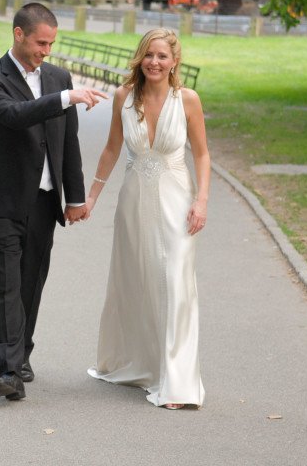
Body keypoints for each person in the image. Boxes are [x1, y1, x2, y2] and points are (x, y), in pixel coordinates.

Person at [0, 2, 109, 401]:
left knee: (30, 283)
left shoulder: (57, 77)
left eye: (51, 43)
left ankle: (22, 351)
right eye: (40, 42)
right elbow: (13, 115)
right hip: (1, 201)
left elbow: (68, 143)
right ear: (18, 34)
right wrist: (65, 98)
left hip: (44, 202)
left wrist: (76, 197)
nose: (46, 51)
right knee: (5, 285)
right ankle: (9, 370)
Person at [84, 28, 210, 410]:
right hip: (134, 201)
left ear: (174, 62)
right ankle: (143, 364)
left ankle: (179, 384)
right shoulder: (124, 97)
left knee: (177, 284)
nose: (154, 62)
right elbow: (111, 149)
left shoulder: (187, 99)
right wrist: (91, 197)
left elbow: (202, 155)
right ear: (140, 58)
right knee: (136, 281)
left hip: (178, 202)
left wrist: (201, 200)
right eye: (148, 55)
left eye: (162, 56)